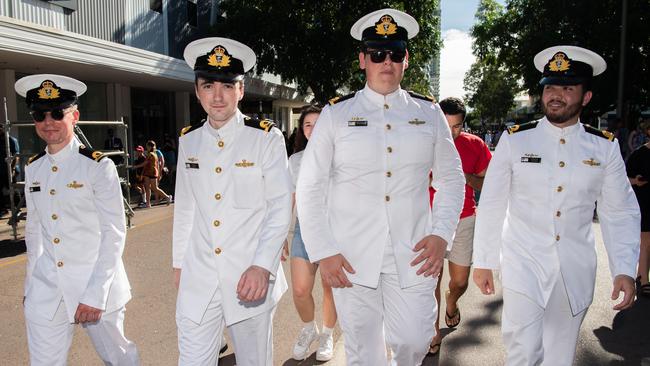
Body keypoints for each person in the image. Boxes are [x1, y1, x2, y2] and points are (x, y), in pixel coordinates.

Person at [296, 9, 465, 365]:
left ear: (406, 58)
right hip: (352, 256)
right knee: (362, 351)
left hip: (415, 252)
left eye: (395, 53)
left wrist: (441, 234)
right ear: (363, 60)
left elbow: (451, 178)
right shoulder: (336, 115)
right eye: (376, 54)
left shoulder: (429, 112)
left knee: (415, 339)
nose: (386, 61)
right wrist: (323, 250)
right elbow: (310, 185)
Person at [472, 45, 640, 366]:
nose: (556, 95)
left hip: (573, 269)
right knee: (523, 351)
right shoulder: (516, 138)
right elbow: (492, 202)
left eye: (567, 87)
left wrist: (623, 269)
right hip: (523, 261)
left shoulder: (603, 147)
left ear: (586, 97)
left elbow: (619, 211)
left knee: (559, 356)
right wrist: (485, 260)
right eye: (550, 87)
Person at [172, 37, 291, 366]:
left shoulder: (265, 137)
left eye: (227, 85)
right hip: (200, 276)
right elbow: (185, 207)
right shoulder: (189, 139)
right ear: (197, 91)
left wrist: (262, 265)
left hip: (248, 276)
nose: (218, 95)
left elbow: (280, 207)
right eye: (208, 85)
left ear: (241, 89)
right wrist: (179, 264)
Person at [15, 74, 139, 365]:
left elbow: (114, 233)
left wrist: (96, 294)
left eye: (58, 113)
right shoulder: (34, 169)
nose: (49, 122)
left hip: (96, 284)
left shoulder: (98, 166)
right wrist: (29, 288)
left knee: (118, 358)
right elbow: (34, 234)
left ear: (75, 116)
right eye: (40, 115)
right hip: (47, 287)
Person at [428, 97, 491, 355]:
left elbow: (486, 184)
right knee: (430, 282)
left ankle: (452, 303)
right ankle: (433, 332)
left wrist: (463, 176)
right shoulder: (424, 143)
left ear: (463, 124)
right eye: (446, 124)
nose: (451, 131)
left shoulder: (474, 145)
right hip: (430, 220)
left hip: (464, 218)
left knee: (460, 281)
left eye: (456, 126)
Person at [281, 105, 337, 361]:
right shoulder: (295, 161)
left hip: (335, 230)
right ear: (302, 130)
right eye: (307, 125)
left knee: (330, 289)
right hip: (304, 230)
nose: (313, 129)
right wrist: (282, 233)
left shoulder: (341, 155)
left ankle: (327, 333)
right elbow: (289, 199)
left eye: (318, 123)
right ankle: (308, 328)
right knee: (301, 290)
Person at [626, 120, 650, 297]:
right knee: (646, 243)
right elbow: (625, 179)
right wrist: (637, 181)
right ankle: (643, 280)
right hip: (645, 203)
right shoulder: (639, 154)